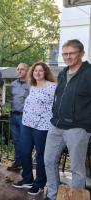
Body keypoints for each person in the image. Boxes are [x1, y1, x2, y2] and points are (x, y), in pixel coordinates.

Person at [44, 39, 91, 200]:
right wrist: (54, 113)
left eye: (71, 53)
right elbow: (58, 96)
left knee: (77, 169)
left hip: (77, 128)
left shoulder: (88, 73)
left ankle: (77, 197)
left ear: (81, 54)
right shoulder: (63, 73)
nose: (67, 56)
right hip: (56, 125)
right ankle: (52, 195)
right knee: (48, 161)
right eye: (65, 54)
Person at [12, 62, 56, 196]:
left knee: (40, 155)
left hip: (42, 126)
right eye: (35, 70)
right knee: (24, 151)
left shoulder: (53, 86)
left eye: (40, 71)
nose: (37, 73)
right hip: (27, 124)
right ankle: (27, 179)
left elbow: (56, 105)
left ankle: (39, 184)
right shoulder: (32, 86)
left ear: (45, 72)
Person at [7, 63, 30, 171]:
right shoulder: (13, 84)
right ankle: (17, 162)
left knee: (25, 141)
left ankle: (25, 165)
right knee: (16, 140)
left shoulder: (32, 84)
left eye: (22, 69)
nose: (19, 71)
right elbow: (11, 99)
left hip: (24, 116)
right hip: (13, 115)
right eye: (18, 69)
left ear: (27, 71)